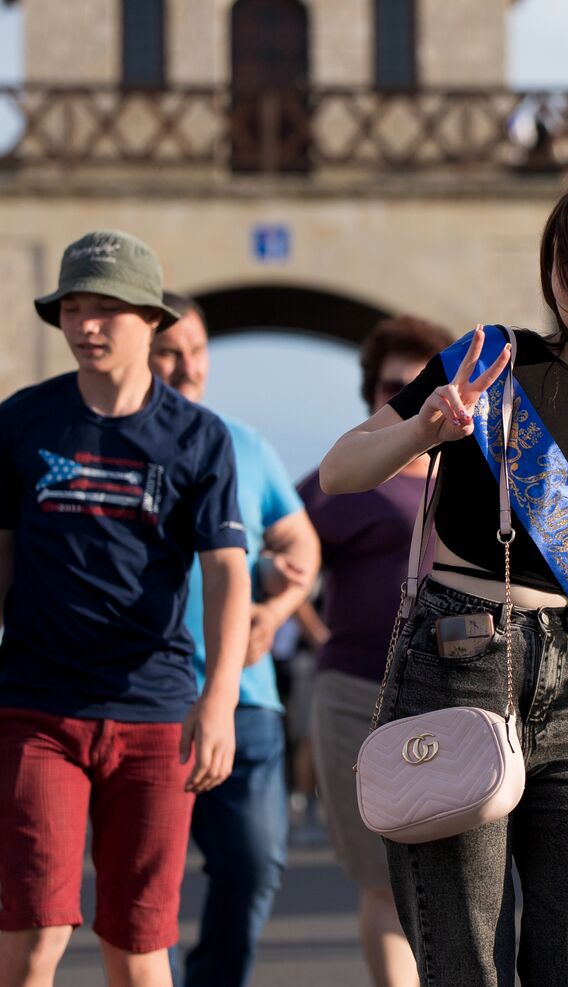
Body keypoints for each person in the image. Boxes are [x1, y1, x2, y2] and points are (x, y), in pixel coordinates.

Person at [318, 165, 568, 986]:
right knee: (466, 964)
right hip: (458, 659)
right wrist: (424, 426)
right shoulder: (493, 362)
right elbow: (341, 469)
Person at [0, 231, 250, 987]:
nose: (85, 325)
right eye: (73, 307)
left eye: (106, 308)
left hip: (154, 716)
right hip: (36, 709)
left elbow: (228, 575)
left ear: (151, 319)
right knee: (32, 936)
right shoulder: (23, 420)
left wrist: (220, 701)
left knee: (137, 948)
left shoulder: (198, 437)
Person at [149, 292, 320, 987]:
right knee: (142, 881)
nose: (188, 368)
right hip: (144, 696)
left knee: (255, 860)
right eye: (170, 352)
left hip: (243, 698)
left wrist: (276, 610)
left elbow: (302, 544)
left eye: (197, 351)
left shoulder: (244, 444)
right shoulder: (110, 441)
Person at [298, 315, 456, 987]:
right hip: (357, 692)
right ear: (375, 395)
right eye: (399, 384)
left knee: (456, 878)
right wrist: (312, 631)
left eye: (426, 381)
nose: (414, 394)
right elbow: (285, 562)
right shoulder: (340, 481)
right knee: (382, 879)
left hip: (453, 696)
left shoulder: (472, 478)